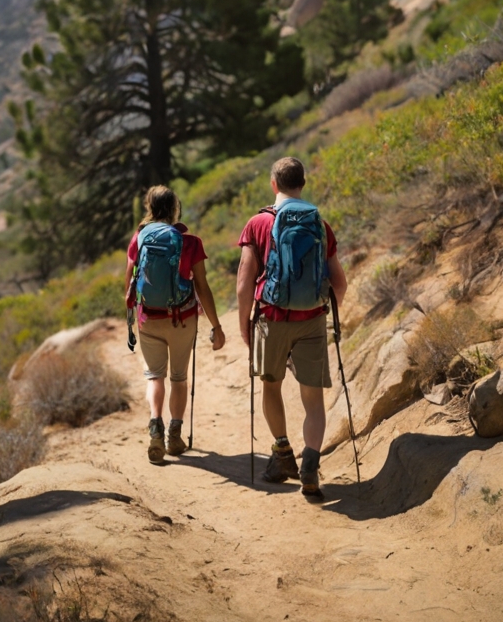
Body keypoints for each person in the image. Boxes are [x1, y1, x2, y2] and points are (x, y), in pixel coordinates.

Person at [236, 157, 348, 497]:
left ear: (274, 184)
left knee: (271, 387)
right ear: (303, 183)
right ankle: (310, 462)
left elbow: (244, 283)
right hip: (311, 321)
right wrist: (324, 311)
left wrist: (245, 324)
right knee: (313, 399)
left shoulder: (257, 223)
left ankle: (283, 452)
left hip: (271, 319)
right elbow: (339, 282)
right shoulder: (320, 224)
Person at [126, 185, 226, 464]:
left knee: (155, 376)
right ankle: (175, 435)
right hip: (182, 318)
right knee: (179, 378)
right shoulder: (191, 242)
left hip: (149, 317)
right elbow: (203, 287)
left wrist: (133, 313)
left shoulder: (140, 237)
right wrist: (216, 326)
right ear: (175, 209)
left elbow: (130, 280)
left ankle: (155, 425)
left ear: (149, 207)